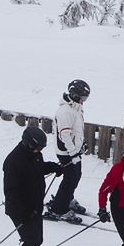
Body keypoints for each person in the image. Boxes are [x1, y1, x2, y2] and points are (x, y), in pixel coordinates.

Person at [3, 126, 64, 246]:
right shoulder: (13, 161)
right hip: (20, 210)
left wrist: (53, 167)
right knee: (31, 240)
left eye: (41, 148)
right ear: (27, 143)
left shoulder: (34, 155)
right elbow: (10, 192)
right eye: (36, 148)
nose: (39, 151)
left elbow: (38, 168)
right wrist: (22, 213)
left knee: (38, 239)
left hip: (35, 206)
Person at [45, 79, 92, 223]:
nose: (84, 101)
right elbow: (64, 135)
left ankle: (66, 199)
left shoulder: (75, 108)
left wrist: (81, 145)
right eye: (83, 97)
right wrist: (73, 153)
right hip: (66, 152)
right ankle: (59, 209)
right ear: (75, 95)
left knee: (75, 177)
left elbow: (76, 130)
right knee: (70, 179)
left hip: (73, 151)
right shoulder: (65, 111)